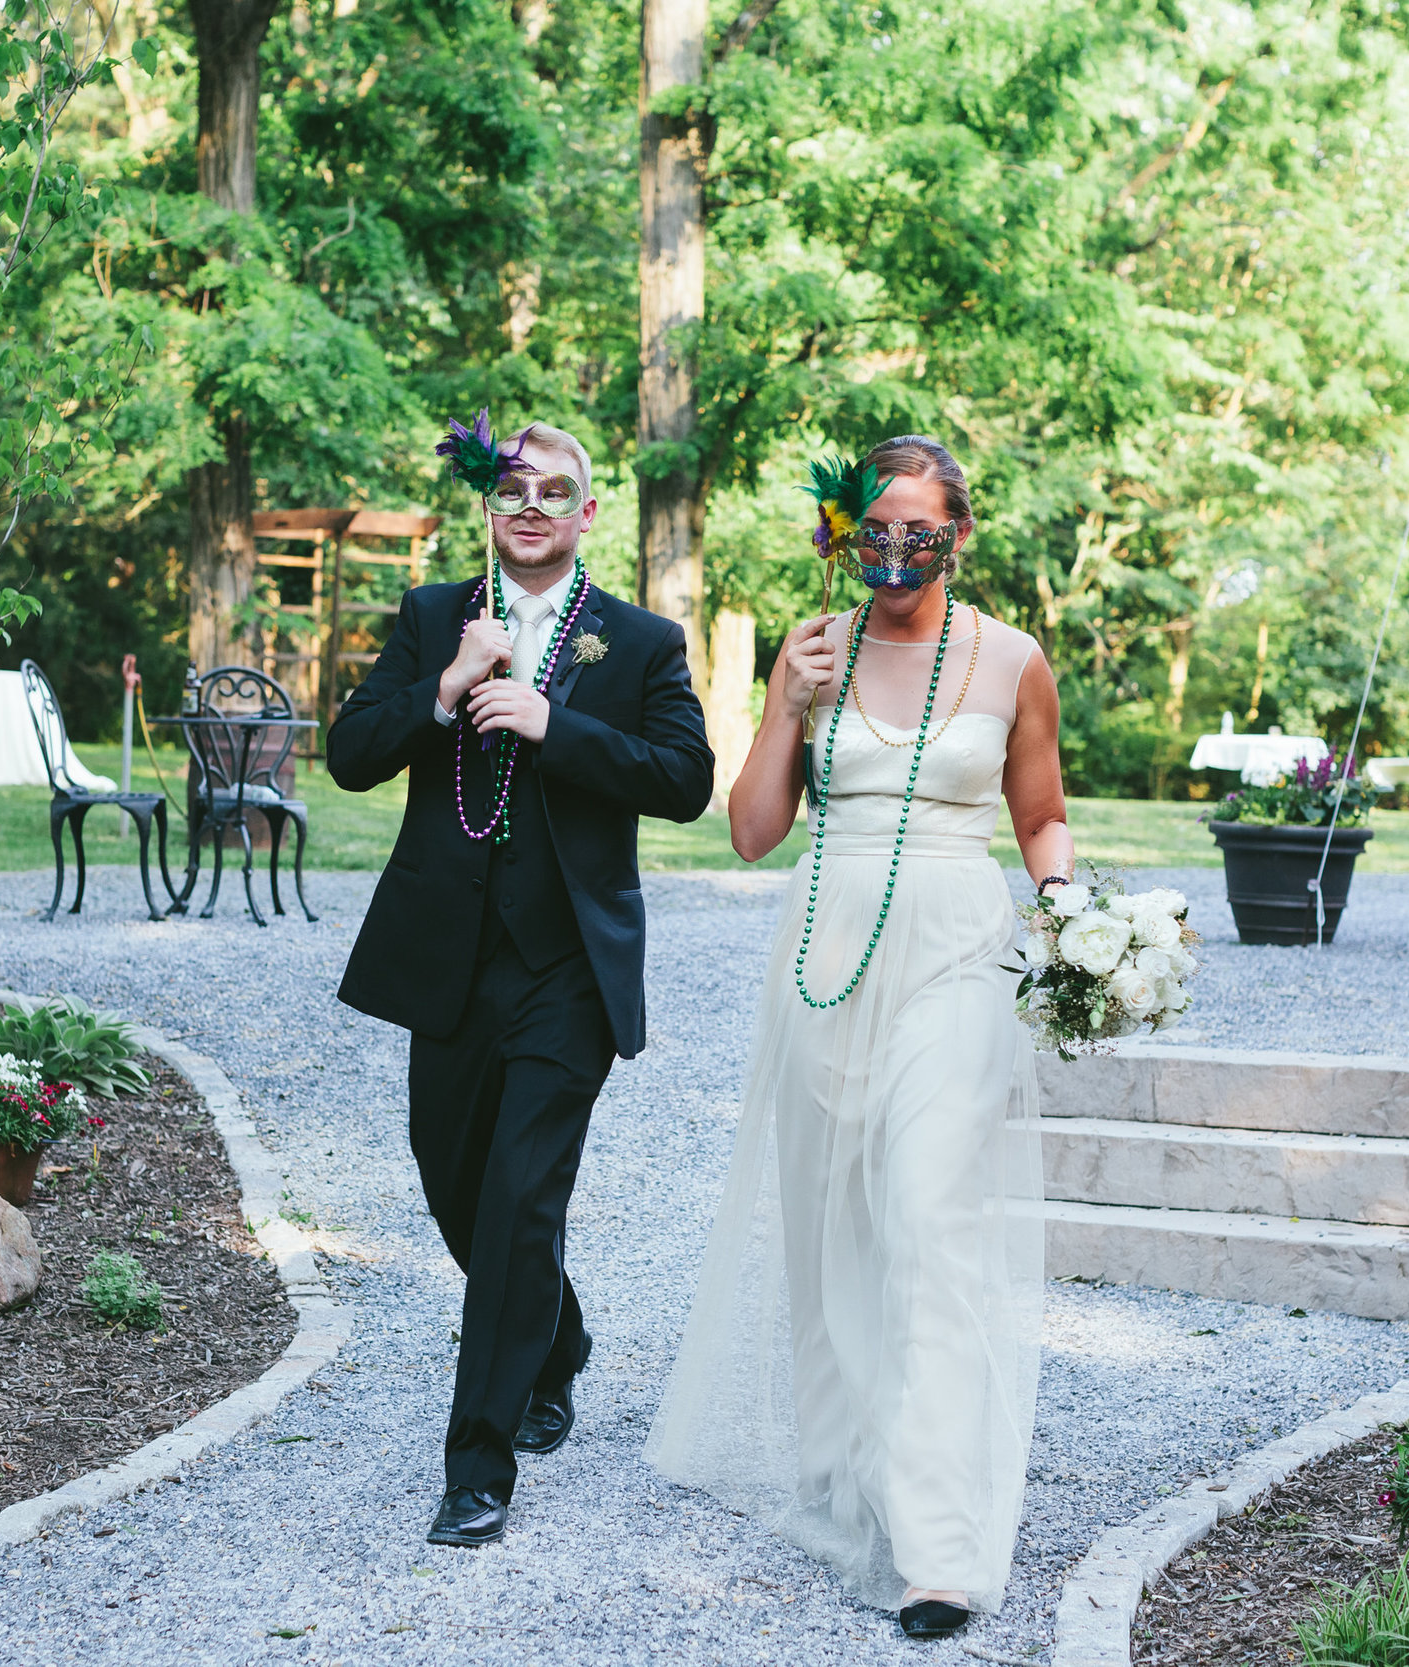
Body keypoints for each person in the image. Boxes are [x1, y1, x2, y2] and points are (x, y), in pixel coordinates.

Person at [645, 435, 1070, 1640]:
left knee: (929, 1213)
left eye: (917, 530)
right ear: (842, 534)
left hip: (955, 950)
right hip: (827, 947)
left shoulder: (1012, 659)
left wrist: (1075, 918)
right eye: (870, 530)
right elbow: (749, 831)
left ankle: (937, 1544)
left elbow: (1038, 815)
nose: (892, 551)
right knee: (833, 1215)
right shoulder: (814, 646)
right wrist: (787, 700)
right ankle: (845, 1470)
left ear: (958, 534)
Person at [329, 421, 715, 1549]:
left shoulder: (639, 641)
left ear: (588, 513)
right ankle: (558, 1341)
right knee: (456, 1188)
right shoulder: (429, 617)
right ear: (490, 509)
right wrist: (444, 687)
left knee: (518, 1204)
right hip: (448, 965)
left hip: (567, 974)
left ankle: (475, 1467)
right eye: (514, 490)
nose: (534, 506)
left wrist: (559, 724)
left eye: (558, 491)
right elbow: (351, 755)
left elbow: (686, 780)